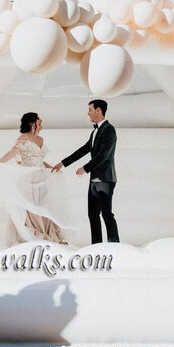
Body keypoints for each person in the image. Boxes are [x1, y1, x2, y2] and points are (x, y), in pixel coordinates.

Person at [0, 112, 72, 246]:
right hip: (28, 177)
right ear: (32, 123)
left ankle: (47, 233)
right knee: (30, 206)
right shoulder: (24, 137)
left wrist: (53, 168)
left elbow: (40, 160)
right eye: (38, 119)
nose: (41, 120)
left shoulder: (41, 140)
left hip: (41, 177)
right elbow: (13, 152)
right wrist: (1, 161)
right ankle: (35, 234)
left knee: (43, 205)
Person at [52, 100, 120, 244]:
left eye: (90, 109)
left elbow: (104, 155)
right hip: (94, 180)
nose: (87, 113)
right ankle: (96, 246)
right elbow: (83, 150)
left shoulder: (109, 130)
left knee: (107, 214)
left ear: (98, 111)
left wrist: (85, 168)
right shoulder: (94, 132)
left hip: (105, 180)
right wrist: (63, 163)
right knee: (93, 215)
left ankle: (114, 245)